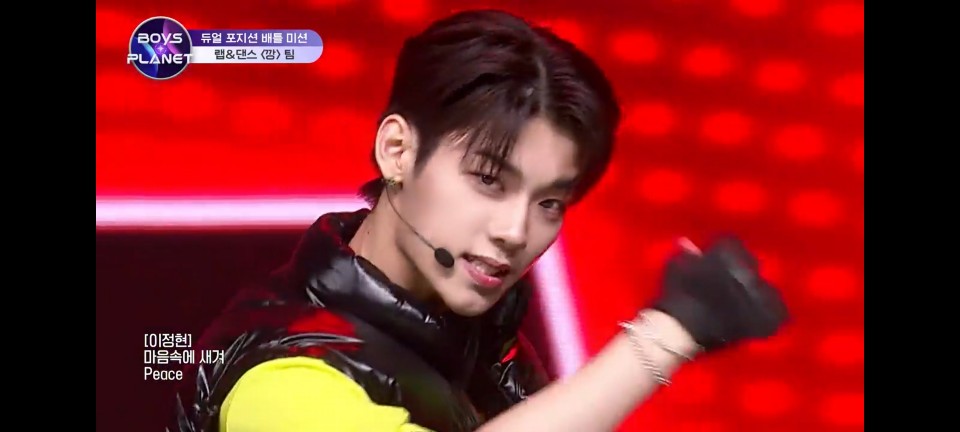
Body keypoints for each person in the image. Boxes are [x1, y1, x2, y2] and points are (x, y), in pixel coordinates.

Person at [169, 9, 788, 432]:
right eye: (489, 180)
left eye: (550, 203)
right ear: (398, 152)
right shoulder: (284, 382)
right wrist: (664, 336)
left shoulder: (477, 336)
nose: (516, 232)